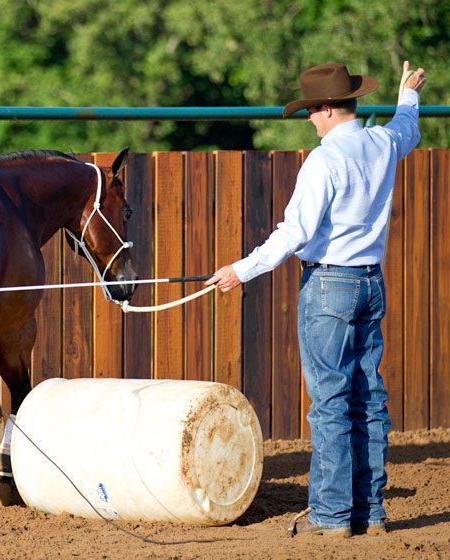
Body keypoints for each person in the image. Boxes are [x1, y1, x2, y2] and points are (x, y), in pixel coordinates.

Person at [205, 60, 426, 537]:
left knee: (329, 401)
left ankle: (330, 516)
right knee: (367, 397)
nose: (308, 118)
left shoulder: (323, 161)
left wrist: (239, 271)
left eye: (310, 110)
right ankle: (370, 511)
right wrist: (409, 94)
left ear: (327, 109)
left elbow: (295, 233)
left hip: (329, 284)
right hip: (370, 281)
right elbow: (406, 127)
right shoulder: (382, 143)